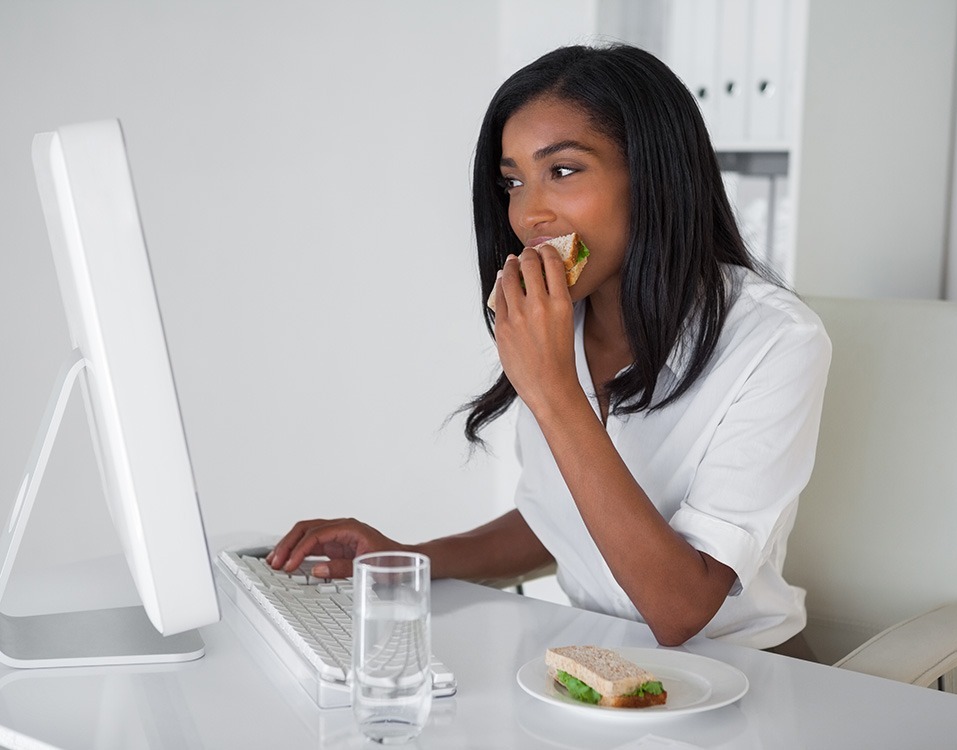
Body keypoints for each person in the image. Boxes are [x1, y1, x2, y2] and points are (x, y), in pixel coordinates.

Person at [269, 43, 831, 653]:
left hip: (749, 673)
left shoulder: (776, 341)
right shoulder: (560, 321)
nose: (529, 214)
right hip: (601, 662)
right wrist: (407, 559)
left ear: (654, 175)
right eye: (513, 182)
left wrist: (554, 389)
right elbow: (560, 521)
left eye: (562, 171)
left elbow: (682, 609)